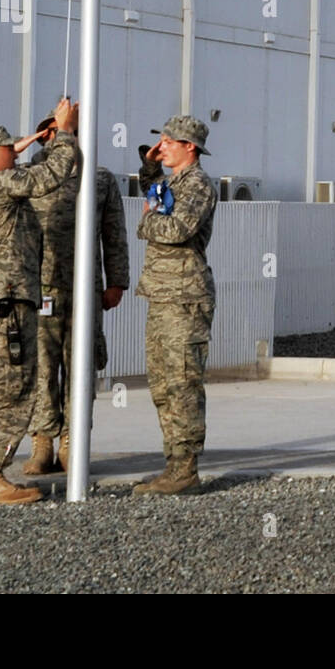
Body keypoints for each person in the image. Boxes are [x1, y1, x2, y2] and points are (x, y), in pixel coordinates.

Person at [0, 99, 78, 506]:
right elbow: (50, 175)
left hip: (9, 303)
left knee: (1, 388)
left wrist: (30, 139)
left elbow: (21, 166)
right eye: (9, 150)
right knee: (8, 389)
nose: (18, 154)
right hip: (6, 307)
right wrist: (63, 132)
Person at [22, 111, 130, 475]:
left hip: (84, 289)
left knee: (80, 365)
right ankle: (42, 441)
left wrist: (117, 281)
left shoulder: (99, 178)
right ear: (42, 137)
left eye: (68, 132)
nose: (60, 139)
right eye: (53, 133)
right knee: (41, 366)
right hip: (39, 287)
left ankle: (72, 438)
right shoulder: (30, 177)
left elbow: (114, 234)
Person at [133, 114, 217, 495]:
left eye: (169, 141)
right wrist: (150, 169)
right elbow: (156, 197)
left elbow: (176, 228)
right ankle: (173, 466)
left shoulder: (198, 185)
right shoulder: (172, 183)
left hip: (184, 299)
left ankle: (186, 470)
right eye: (161, 139)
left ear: (190, 148)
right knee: (163, 386)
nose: (162, 145)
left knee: (183, 383)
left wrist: (145, 223)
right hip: (163, 296)